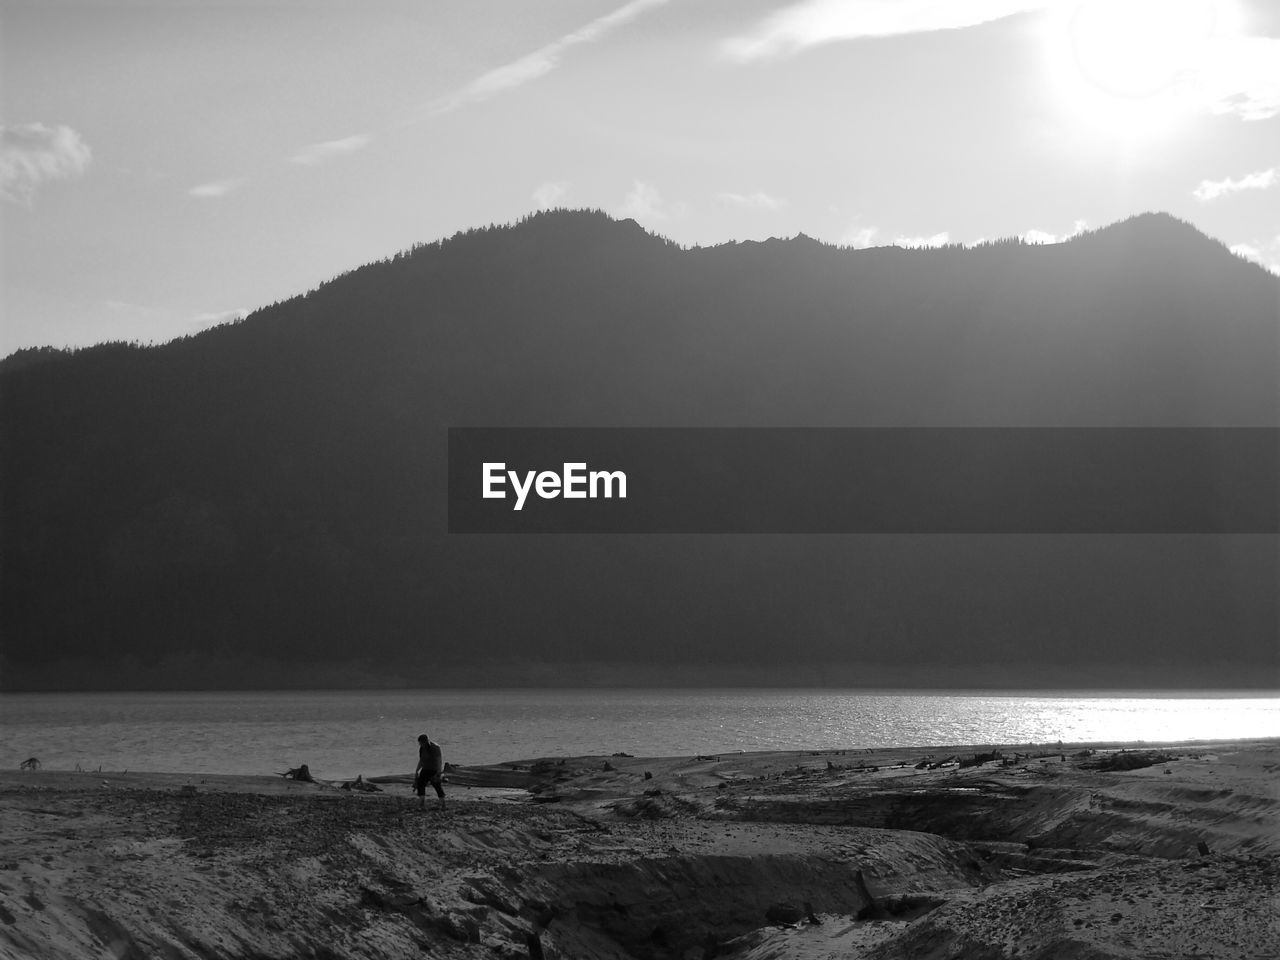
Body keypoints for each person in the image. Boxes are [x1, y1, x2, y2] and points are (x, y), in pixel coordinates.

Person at [414, 733, 445, 811]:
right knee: (420, 784)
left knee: (437, 786)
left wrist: (438, 772)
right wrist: (417, 770)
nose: (420, 744)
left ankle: (443, 804)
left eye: (421, 743)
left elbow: (439, 760)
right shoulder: (421, 749)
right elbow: (421, 760)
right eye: (420, 743)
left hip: (434, 769)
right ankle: (421, 804)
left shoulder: (435, 748)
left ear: (426, 741)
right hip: (425, 768)